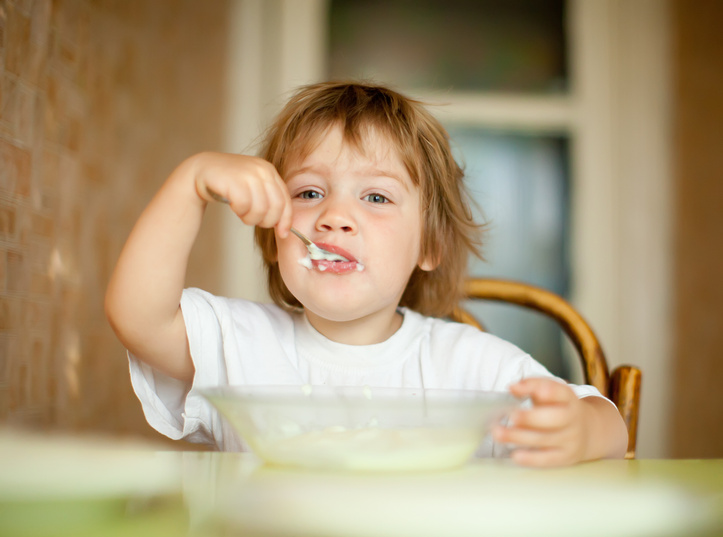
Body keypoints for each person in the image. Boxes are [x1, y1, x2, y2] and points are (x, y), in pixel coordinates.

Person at [105, 81, 627, 467]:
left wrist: (581, 430)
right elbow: (137, 316)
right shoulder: (238, 344)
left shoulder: (466, 363)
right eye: (309, 193)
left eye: (375, 197)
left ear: (429, 244)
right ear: (272, 232)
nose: (334, 215)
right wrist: (192, 182)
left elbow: (611, 426)